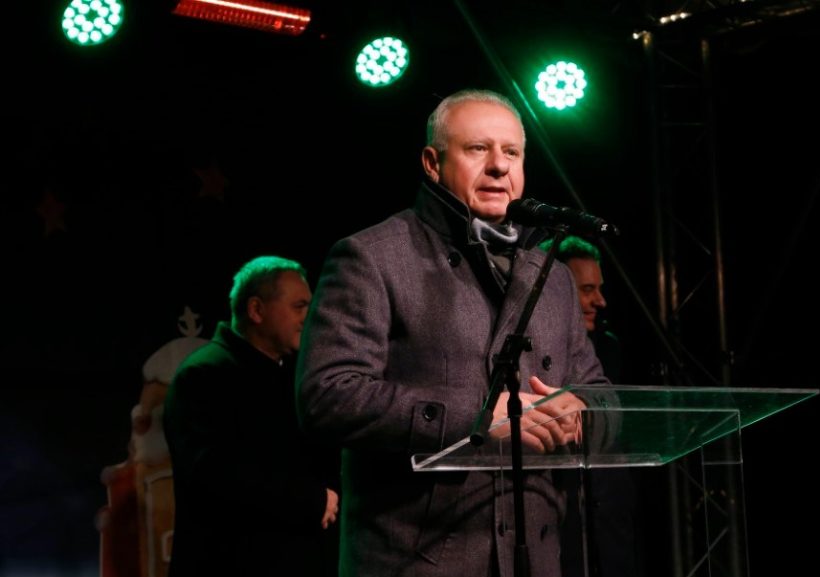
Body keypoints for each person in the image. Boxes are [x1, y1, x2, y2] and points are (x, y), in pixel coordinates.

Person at [295, 88, 614, 577]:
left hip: (538, 559)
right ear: (432, 163)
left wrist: (583, 413)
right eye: (477, 148)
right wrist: (481, 418)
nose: (499, 166)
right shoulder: (372, 257)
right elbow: (327, 396)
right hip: (418, 562)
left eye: (512, 152)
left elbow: (598, 392)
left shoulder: (552, 276)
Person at [163, 255, 340, 577]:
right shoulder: (203, 376)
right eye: (299, 306)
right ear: (256, 310)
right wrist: (310, 500)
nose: (310, 316)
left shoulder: (293, 375)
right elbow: (215, 474)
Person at [539, 235, 641, 577]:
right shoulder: (535, 351)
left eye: (599, 288)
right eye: (586, 290)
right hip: (558, 523)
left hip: (611, 528)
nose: (600, 300)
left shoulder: (609, 349)